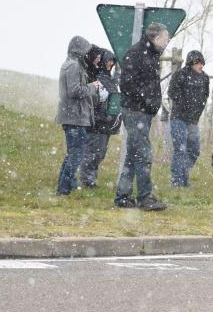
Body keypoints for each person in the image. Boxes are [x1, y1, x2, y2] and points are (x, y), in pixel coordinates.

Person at [115, 22, 169, 211]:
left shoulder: (153, 56)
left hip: (143, 113)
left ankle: (122, 196)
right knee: (144, 154)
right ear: (155, 38)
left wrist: (152, 105)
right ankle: (145, 197)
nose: (166, 42)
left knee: (132, 155)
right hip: (135, 111)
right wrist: (146, 102)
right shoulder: (136, 53)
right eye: (164, 38)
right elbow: (127, 83)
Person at [55, 36, 100, 195]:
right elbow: (74, 91)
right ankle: (64, 190)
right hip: (75, 117)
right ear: (79, 50)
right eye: (86, 51)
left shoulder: (70, 64)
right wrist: (92, 87)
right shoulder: (73, 66)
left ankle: (66, 187)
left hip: (72, 116)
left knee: (72, 154)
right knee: (75, 156)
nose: (87, 54)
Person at [167, 50, 210, 187]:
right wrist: (184, 103)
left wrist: (197, 111)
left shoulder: (205, 78)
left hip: (193, 120)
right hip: (179, 117)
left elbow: (205, 96)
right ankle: (176, 181)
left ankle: (183, 178)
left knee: (194, 150)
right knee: (180, 149)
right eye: (198, 63)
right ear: (191, 63)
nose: (200, 66)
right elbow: (172, 91)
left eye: (202, 63)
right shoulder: (181, 75)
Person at [80, 47, 121, 187]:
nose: (110, 64)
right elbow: (92, 98)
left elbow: (115, 91)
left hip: (107, 123)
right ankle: (87, 180)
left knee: (100, 153)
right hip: (97, 121)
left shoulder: (111, 78)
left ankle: (91, 178)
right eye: (108, 61)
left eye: (113, 62)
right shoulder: (96, 76)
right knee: (92, 152)